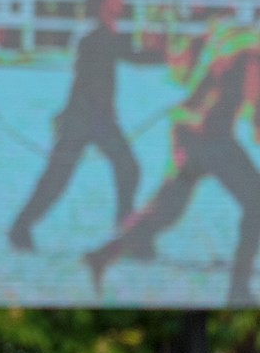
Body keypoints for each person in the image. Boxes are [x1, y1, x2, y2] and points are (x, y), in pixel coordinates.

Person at [84, 29, 260, 306]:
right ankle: (238, 287)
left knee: (167, 212)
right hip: (210, 138)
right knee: (256, 203)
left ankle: (103, 254)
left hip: (190, 132)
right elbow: (255, 108)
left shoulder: (241, 41)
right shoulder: (253, 53)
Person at [9, 0, 148, 251]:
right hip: (87, 119)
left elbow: (132, 55)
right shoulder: (95, 35)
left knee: (121, 169)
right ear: (104, 2)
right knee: (65, 177)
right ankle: (21, 227)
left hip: (89, 118)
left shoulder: (104, 32)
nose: (121, 0)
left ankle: (21, 227)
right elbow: (93, 76)